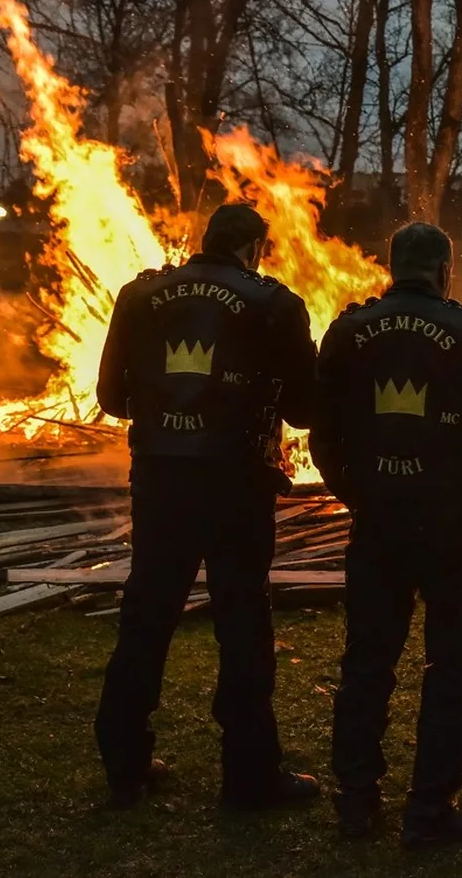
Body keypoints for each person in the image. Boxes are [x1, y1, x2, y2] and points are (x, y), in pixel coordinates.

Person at [93, 202, 320, 811]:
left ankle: (124, 764)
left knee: (146, 615)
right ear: (255, 248)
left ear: (206, 241)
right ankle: (250, 776)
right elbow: (304, 410)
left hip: (162, 480)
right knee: (243, 625)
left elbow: (111, 397)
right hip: (236, 484)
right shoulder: (274, 303)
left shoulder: (140, 295)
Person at [311, 222, 462, 847]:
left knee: (367, 662)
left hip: (377, 522)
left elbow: (322, 434)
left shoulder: (349, 331)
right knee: (452, 666)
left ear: (392, 266)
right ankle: (429, 809)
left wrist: (358, 494)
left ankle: (356, 803)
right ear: (444, 270)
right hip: (453, 524)